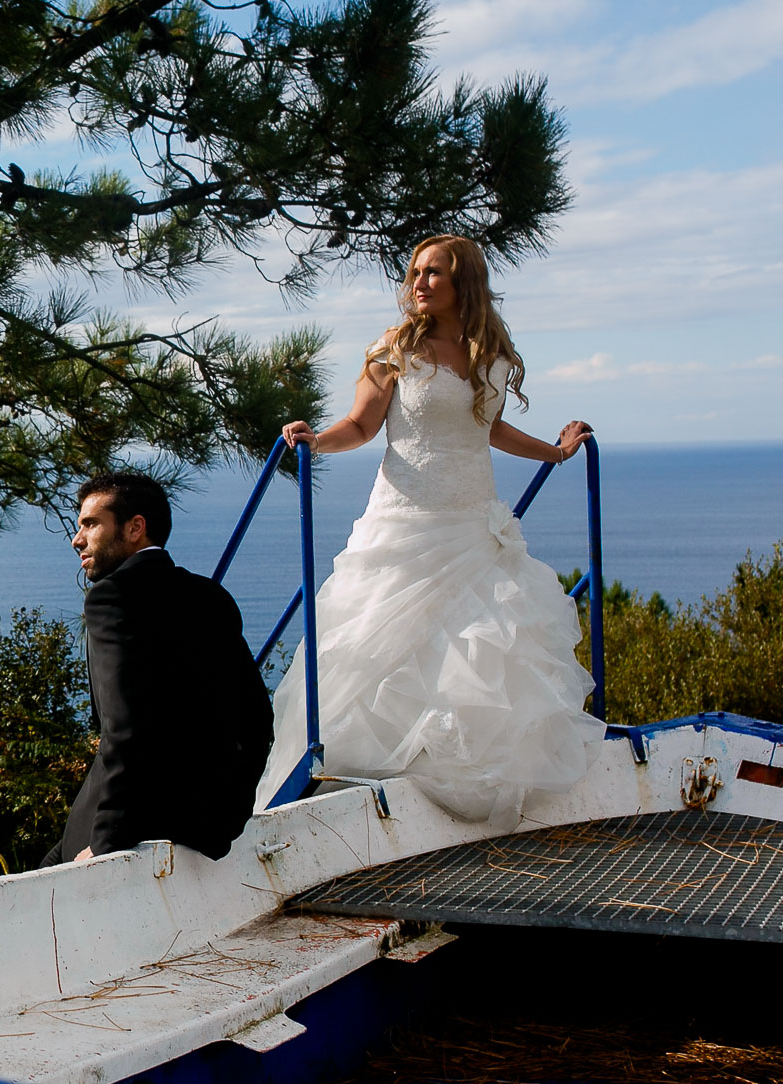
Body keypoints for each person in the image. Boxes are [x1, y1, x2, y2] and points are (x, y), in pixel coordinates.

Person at [256, 234, 605, 827]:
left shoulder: (489, 354)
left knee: (478, 651)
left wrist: (556, 452)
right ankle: (352, 785)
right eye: (415, 272)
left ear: (462, 283)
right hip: (405, 523)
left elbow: (488, 431)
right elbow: (362, 426)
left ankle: (461, 775)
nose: (419, 282)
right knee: (380, 648)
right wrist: (317, 440)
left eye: (434, 273)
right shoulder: (395, 350)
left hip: (473, 523)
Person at [43, 473, 273, 866]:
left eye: (91, 524)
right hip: (198, 829)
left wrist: (106, 841)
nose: (77, 539)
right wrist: (222, 822)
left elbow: (123, 728)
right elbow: (257, 722)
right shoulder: (210, 596)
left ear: (135, 528)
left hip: (117, 826)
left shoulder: (110, 597)